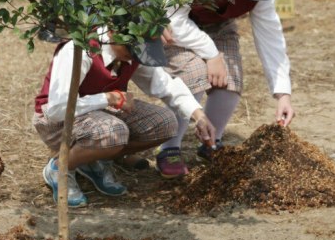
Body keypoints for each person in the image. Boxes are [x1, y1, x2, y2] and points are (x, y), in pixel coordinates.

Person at [154, 0, 295, 176]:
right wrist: (211, 53)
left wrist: (282, 92)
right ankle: (170, 147)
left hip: (219, 22)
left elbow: (269, 32)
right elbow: (174, 19)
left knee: (230, 80)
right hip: (178, 24)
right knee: (194, 74)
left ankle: (211, 141)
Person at [33, 25, 216, 207]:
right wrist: (108, 98)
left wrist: (198, 115)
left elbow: (166, 85)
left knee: (167, 123)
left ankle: (92, 160)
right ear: (113, 31)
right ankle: (60, 167)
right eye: (132, 48)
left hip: (102, 114)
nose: (135, 56)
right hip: (57, 120)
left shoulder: (131, 51)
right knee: (114, 133)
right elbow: (57, 108)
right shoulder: (80, 49)